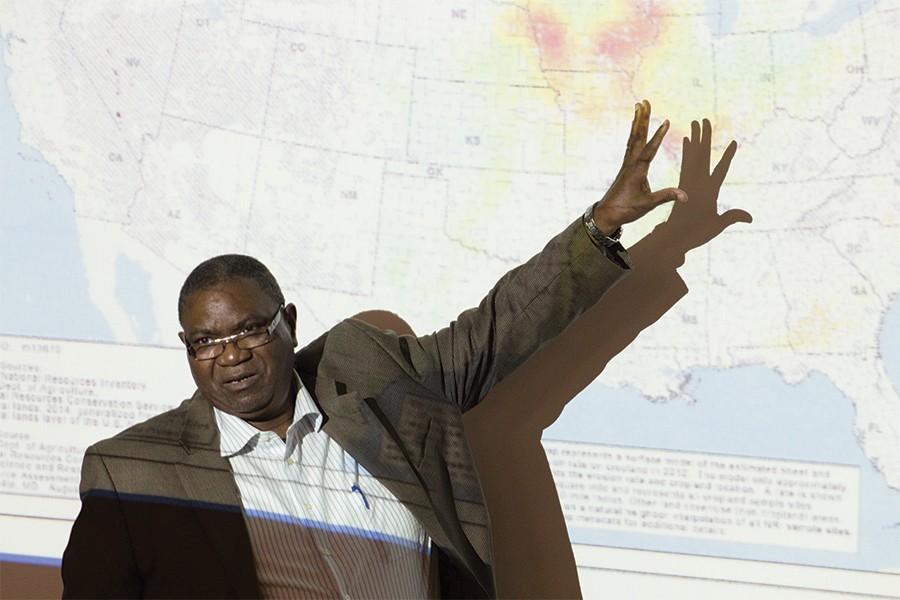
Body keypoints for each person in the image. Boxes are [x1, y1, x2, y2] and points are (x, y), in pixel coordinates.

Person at [62, 100, 690, 598]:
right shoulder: (134, 471)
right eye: (207, 342)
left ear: (289, 322)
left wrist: (601, 224)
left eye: (250, 330)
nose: (231, 356)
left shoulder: (366, 372)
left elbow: (497, 330)